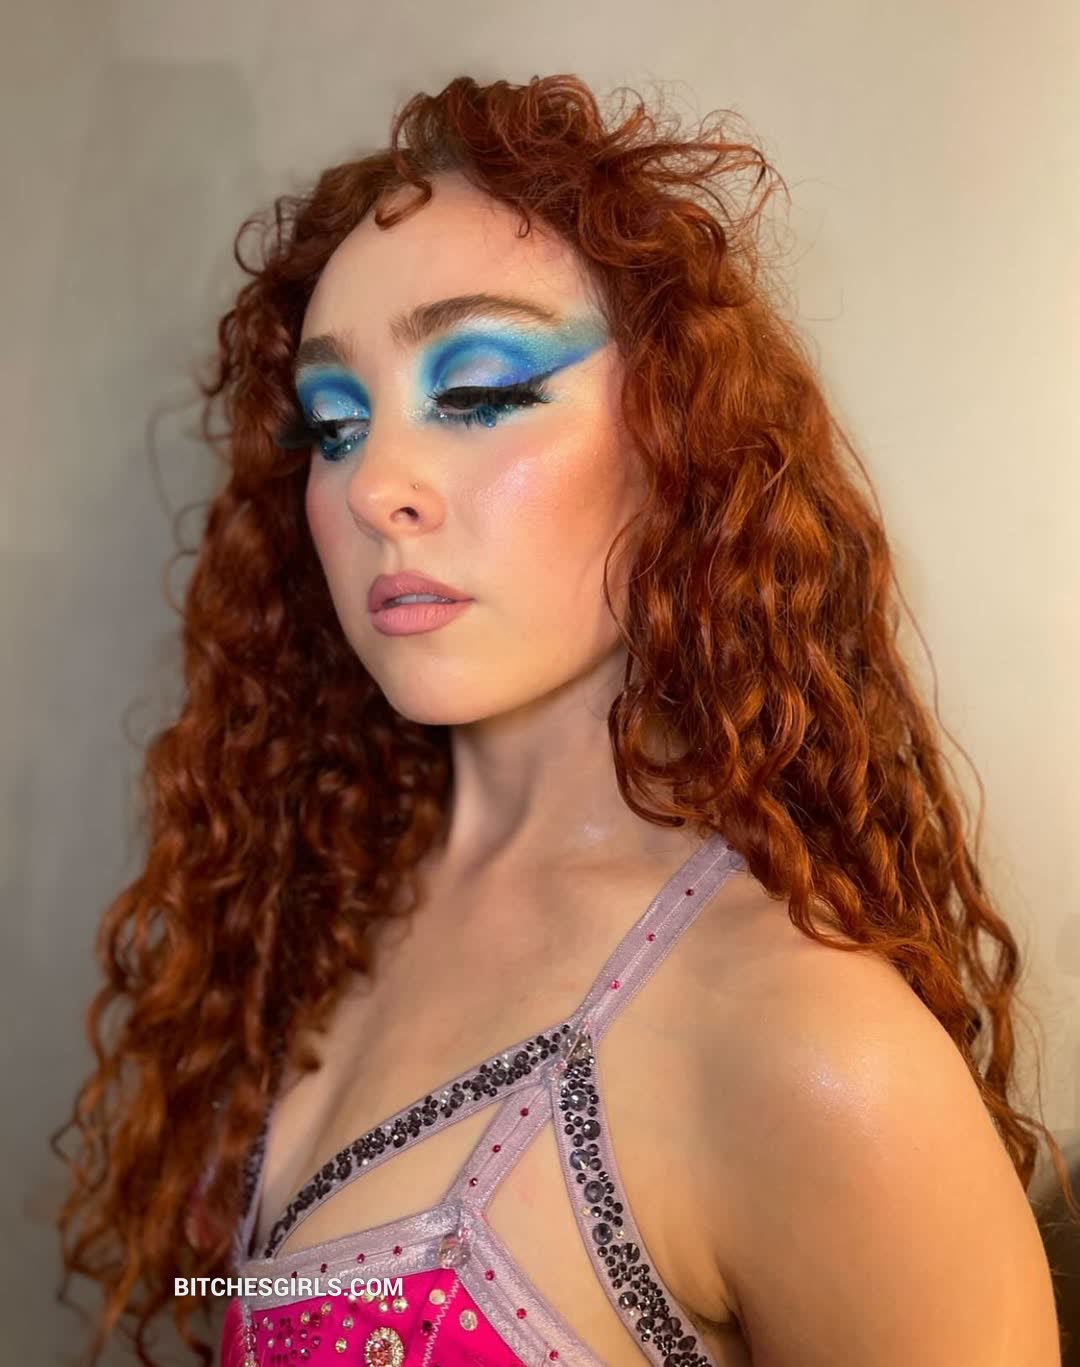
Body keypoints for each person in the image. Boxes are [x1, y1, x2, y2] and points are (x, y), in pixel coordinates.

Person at [53, 74, 1072, 1367]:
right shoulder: (310, 903)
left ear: (676, 434)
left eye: (479, 393)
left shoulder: (803, 1047)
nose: (375, 485)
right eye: (334, 424)